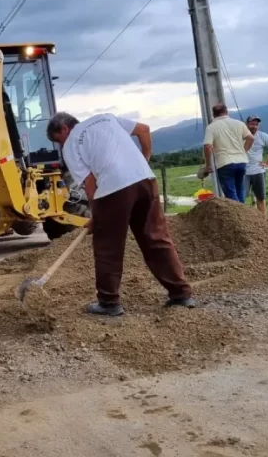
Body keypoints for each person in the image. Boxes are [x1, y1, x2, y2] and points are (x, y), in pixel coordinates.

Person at [46, 112, 195, 317]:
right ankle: (181, 294)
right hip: (145, 180)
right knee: (156, 237)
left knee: (108, 246)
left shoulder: (71, 144)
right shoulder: (107, 118)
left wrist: (97, 215)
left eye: (58, 140)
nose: (61, 145)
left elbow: (90, 184)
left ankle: (109, 302)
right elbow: (144, 130)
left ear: (64, 128)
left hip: (113, 188)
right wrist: (145, 159)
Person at [203, 103, 255, 203]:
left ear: (213, 115)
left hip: (224, 163)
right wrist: (243, 151)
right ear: (227, 112)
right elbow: (251, 138)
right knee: (240, 190)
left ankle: (238, 216)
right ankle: (244, 215)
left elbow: (208, 146)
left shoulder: (211, 127)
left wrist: (208, 165)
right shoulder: (239, 123)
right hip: (241, 162)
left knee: (231, 195)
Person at [243, 115, 268, 214]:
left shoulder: (263, 136)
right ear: (247, 124)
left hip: (258, 171)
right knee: (241, 199)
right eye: (252, 124)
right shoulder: (240, 136)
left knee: (261, 198)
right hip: (243, 172)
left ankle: (263, 221)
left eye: (256, 124)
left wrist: (267, 163)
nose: (254, 126)